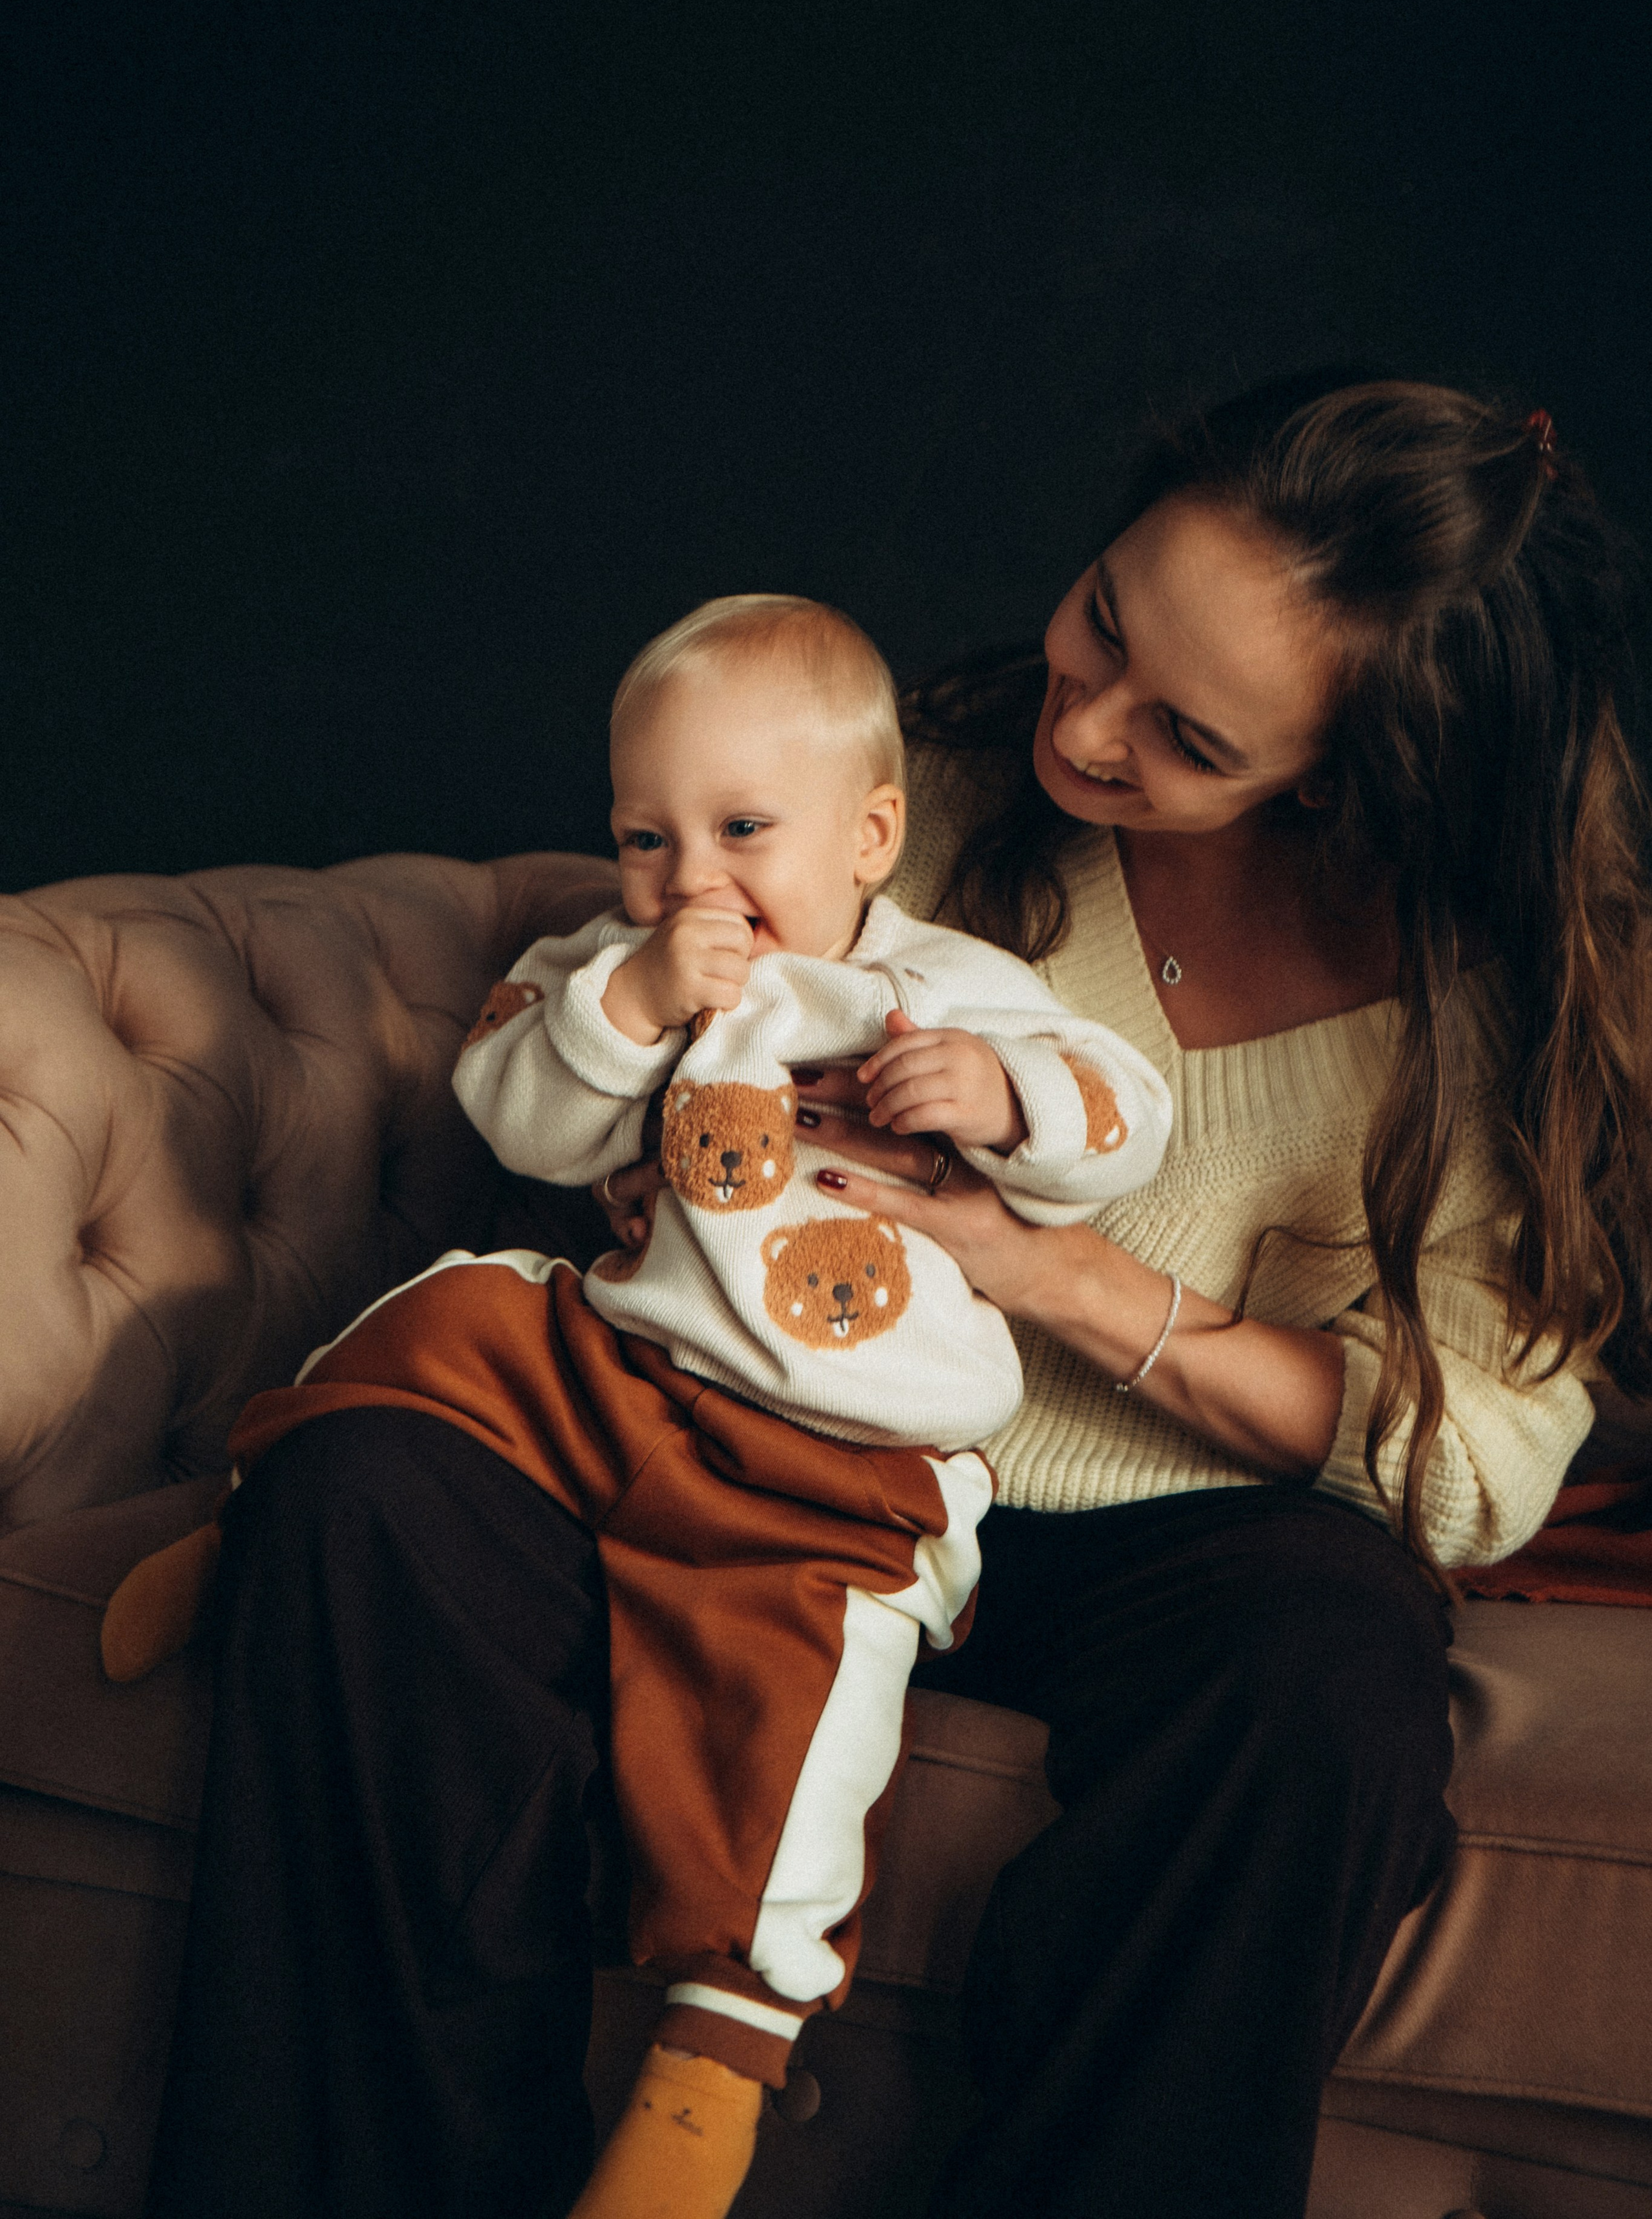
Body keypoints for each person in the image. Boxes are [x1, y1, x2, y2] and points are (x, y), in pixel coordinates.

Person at [145, 376, 1652, 2219]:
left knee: (1329, 1678)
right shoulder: (911, 786)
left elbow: (1468, 1467)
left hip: (1166, 1534)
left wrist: (1056, 1278)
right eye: (1102, 617)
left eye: (1183, 734)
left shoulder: (1482, 1002)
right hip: (756, 1428)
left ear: (1343, 776)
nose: (1081, 724)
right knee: (368, 1489)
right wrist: (648, 1142)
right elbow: (594, 1017)